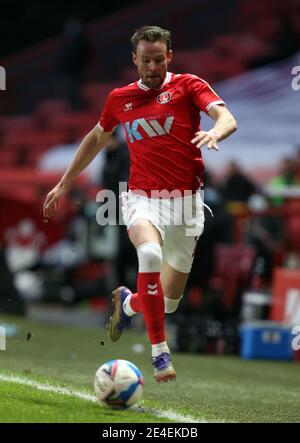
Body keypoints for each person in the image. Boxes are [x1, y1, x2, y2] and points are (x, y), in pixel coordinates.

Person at [43, 25, 237, 383]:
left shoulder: (189, 85)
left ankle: (128, 302)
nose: (153, 67)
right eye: (146, 60)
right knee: (148, 255)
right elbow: (96, 138)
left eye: (159, 59)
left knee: (168, 302)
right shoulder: (119, 98)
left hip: (187, 205)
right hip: (142, 199)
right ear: (134, 59)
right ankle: (160, 354)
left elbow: (227, 117)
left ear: (170, 57)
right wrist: (65, 181)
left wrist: (215, 131)